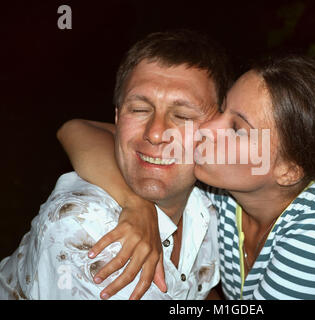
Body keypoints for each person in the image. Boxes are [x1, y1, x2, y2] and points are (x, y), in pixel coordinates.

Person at [57, 53, 315, 299]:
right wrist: (135, 204)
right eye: (224, 108)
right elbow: (79, 130)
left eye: (237, 128)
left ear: (288, 170)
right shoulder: (230, 187)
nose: (208, 128)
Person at [0, 29, 233, 300]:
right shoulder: (84, 232)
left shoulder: (213, 203)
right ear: (117, 119)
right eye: (139, 110)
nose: (156, 133)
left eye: (182, 115)